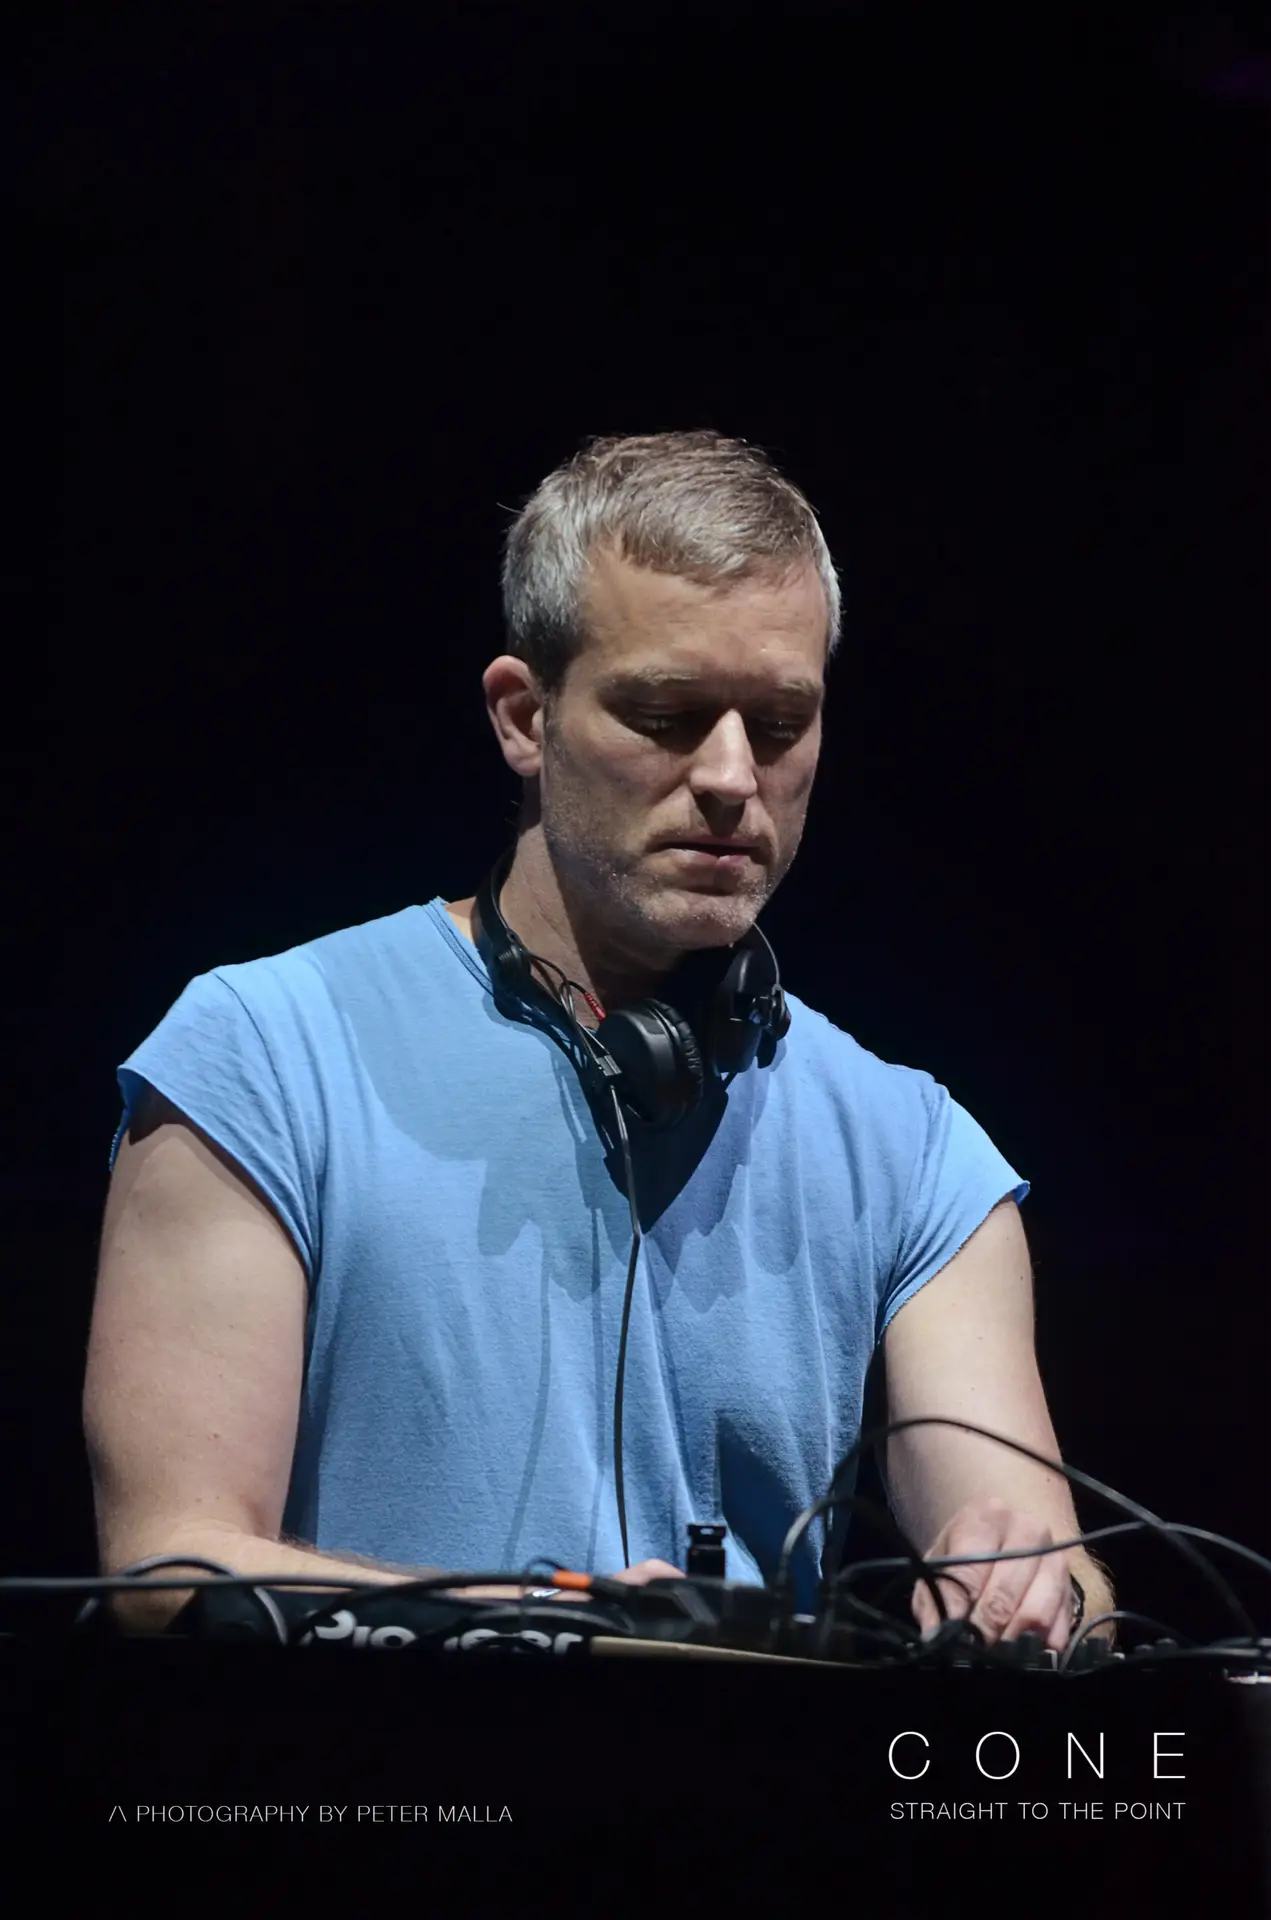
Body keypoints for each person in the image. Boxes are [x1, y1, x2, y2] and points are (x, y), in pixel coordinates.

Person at [84, 430, 1113, 1645]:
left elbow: (1055, 1573)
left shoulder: (918, 1154)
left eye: (780, 723)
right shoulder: (260, 1055)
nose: (730, 775)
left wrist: (1033, 1597)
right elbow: (169, 1566)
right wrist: (566, 1626)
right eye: (666, 716)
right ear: (524, 717)